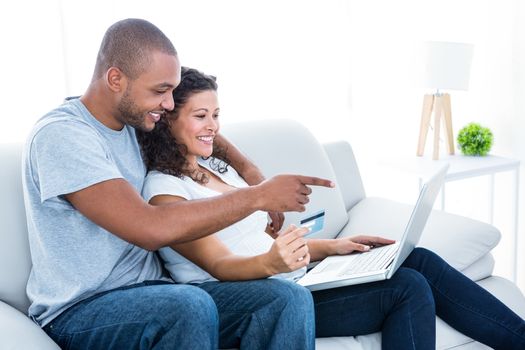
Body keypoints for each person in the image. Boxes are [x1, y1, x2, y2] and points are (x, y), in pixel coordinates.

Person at [139, 67, 525, 350]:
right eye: (201, 116)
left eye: (217, 115)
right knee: (407, 288)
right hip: (255, 297)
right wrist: (278, 262)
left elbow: (262, 243)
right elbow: (222, 265)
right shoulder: (165, 192)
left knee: (415, 259)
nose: (212, 127)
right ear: (168, 121)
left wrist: (335, 247)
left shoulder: (215, 169)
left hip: (288, 277)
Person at [22, 18, 334, 349]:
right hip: (81, 312)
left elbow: (201, 129)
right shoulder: (63, 136)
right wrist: (257, 196)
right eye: (160, 91)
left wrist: (251, 171)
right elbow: (148, 229)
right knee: (187, 306)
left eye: (171, 91)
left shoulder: (132, 119)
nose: (169, 104)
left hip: (155, 292)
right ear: (115, 79)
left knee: (285, 298)